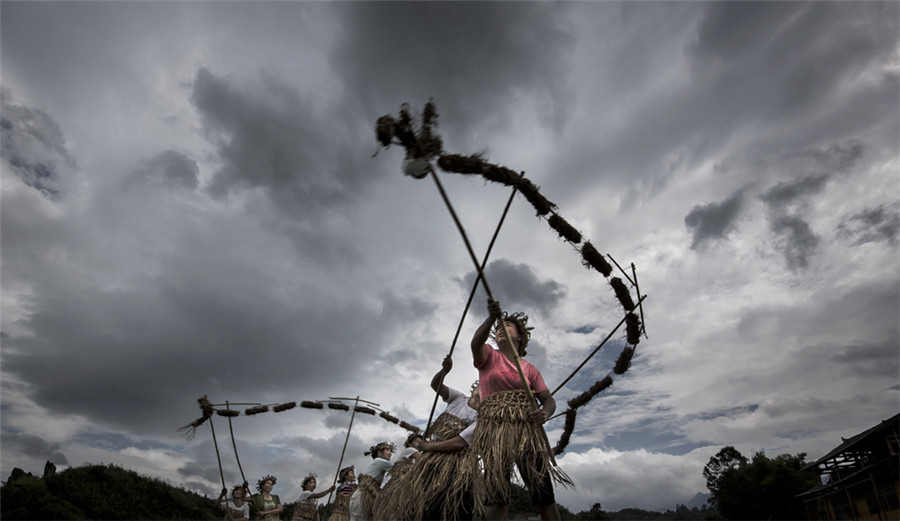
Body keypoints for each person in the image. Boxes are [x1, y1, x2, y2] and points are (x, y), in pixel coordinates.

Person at [470, 299, 571, 521]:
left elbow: (548, 400)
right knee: (497, 497)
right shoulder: (489, 355)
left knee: (543, 495)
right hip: (495, 429)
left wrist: (544, 413)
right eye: (497, 329)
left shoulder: (530, 369)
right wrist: (490, 318)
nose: (500, 331)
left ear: (520, 337)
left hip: (526, 431)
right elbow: (475, 343)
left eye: (507, 327)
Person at [378, 355, 482, 521]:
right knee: (428, 506)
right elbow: (436, 385)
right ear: (475, 386)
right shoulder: (458, 398)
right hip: (431, 463)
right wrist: (444, 371)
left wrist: (428, 447)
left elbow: (460, 442)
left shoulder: (481, 419)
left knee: (457, 506)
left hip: (453, 466)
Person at [348, 441, 395, 521]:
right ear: (379, 452)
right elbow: (398, 470)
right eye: (387, 450)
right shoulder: (381, 462)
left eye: (390, 451)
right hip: (362, 497)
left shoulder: (375, 463)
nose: (390, 453)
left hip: (358, 496)